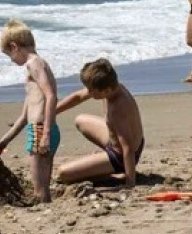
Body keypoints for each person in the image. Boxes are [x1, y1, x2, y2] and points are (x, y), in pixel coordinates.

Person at [0, 19, 60, 202]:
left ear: (14, 47)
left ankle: (44, 212)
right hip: (43, 129)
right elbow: (24, 117)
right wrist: (4, 141)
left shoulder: (34, 64)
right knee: (43, 187)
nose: (11, 60)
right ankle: (47, 208)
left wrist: (45, 134)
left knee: (39, 190)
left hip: (40, 131)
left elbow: (51, 95)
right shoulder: (39, 65)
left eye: (9, 55)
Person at [54, 58, 145, 189]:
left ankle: (115, 175)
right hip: (114, 141)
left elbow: (128, 148)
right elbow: (78, 97)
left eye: (91, 90)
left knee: (63, 173)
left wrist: (130, 182)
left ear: (105, 90)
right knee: (80, 120)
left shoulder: (118, 108)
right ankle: (101, 166)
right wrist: (52, 112)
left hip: (121, 157)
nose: (88, 92)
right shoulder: (112, 87)